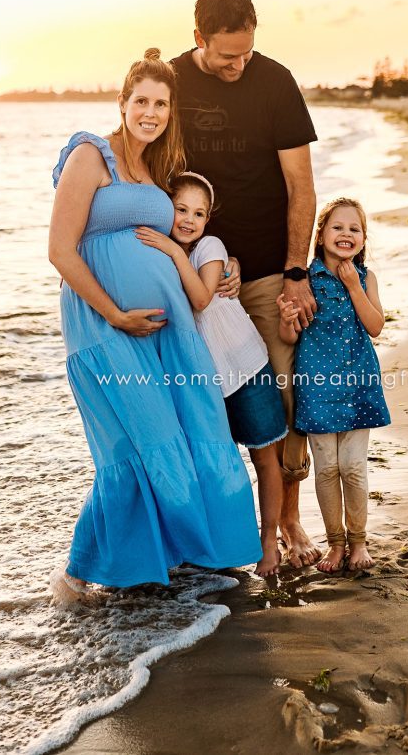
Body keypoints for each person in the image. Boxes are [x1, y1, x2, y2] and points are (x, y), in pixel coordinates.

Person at [48, 48, 261, 596]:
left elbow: (184, 239)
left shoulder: (158, 169)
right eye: (141, 100)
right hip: (106, 328)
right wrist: (115, 312)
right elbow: (61, 251)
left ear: (171, 111)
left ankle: (188, 559)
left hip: (171, 332)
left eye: (161, 103)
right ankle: (80, 575)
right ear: (122, 104)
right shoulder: (90, 156)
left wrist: (227, 267)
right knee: (141, 443)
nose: (151, 111)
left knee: (196, 432)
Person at [171, 0, 321, 568]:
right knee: (195, 407)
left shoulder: (274, 80)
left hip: (263, 273)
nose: (240, 64)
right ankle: (210, 532)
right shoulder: (173, 84)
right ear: (199, 38)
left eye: (248, 51)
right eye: (228, 54)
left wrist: (296, 271)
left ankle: (288, 520)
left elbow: (300, 187)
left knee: (283, 399)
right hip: (185, 275)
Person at [135, 171, 287, 578]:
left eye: (198, 213)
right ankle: (217, 544)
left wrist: (172, 249)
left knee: (264, 457)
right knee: (216, 464)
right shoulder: (159, 253)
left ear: (208, 220)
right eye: (180, 209)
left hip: (245, 366)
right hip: (203, 380)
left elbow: (201, 299)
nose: (188, 219)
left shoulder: (208, 247)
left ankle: (269, 541)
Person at [277, 197, 390, 573]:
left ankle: (358, 543)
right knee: (326, 469)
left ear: (363, 238)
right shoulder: (303, 279)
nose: (345, 234)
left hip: (357, 384)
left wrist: (354, 286)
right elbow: (291, 339)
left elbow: (375, 326)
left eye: (354, 229)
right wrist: (287, 320)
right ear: (320, 234)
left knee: (354, 467)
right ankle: (336, 544)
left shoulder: (366, 277)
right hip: (317, 388)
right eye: (337, 227)